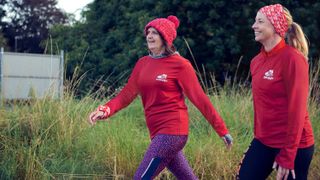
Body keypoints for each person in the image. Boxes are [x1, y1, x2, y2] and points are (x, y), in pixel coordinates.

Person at [88, 15, 233, 180]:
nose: (149, 36)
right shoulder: (142, 64)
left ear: (165, 38)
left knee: (141, 178)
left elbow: (200, 99)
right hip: (157, 134)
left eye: (155, 33)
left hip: (173, 132)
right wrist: (104, 110)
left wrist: (221, 130)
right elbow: (126, 95)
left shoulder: (180, 65)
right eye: (148, 32)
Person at [237, 4, 314, 180]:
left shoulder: (293, 60)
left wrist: (288, 155)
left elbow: (298, 110)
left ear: (275, 26)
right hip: (264, 142)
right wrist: (255, 142)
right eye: (255, 21)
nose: (253, 26)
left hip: (295, 146)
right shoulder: (256, 61)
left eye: (260, 22)